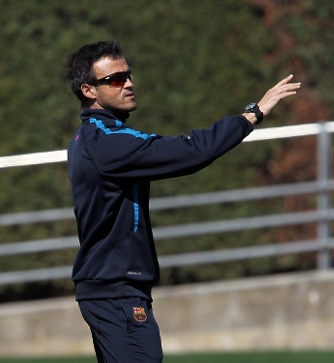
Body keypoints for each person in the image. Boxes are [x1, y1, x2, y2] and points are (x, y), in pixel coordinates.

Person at [65, 40, 300, 362]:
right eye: (115, 79)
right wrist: (251, 115)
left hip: (110, 288)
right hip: (115, 289)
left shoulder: (91, 138)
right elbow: (190, 150)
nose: (129, 83)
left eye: (128, 74)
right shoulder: (107, 142)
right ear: (88, 90)